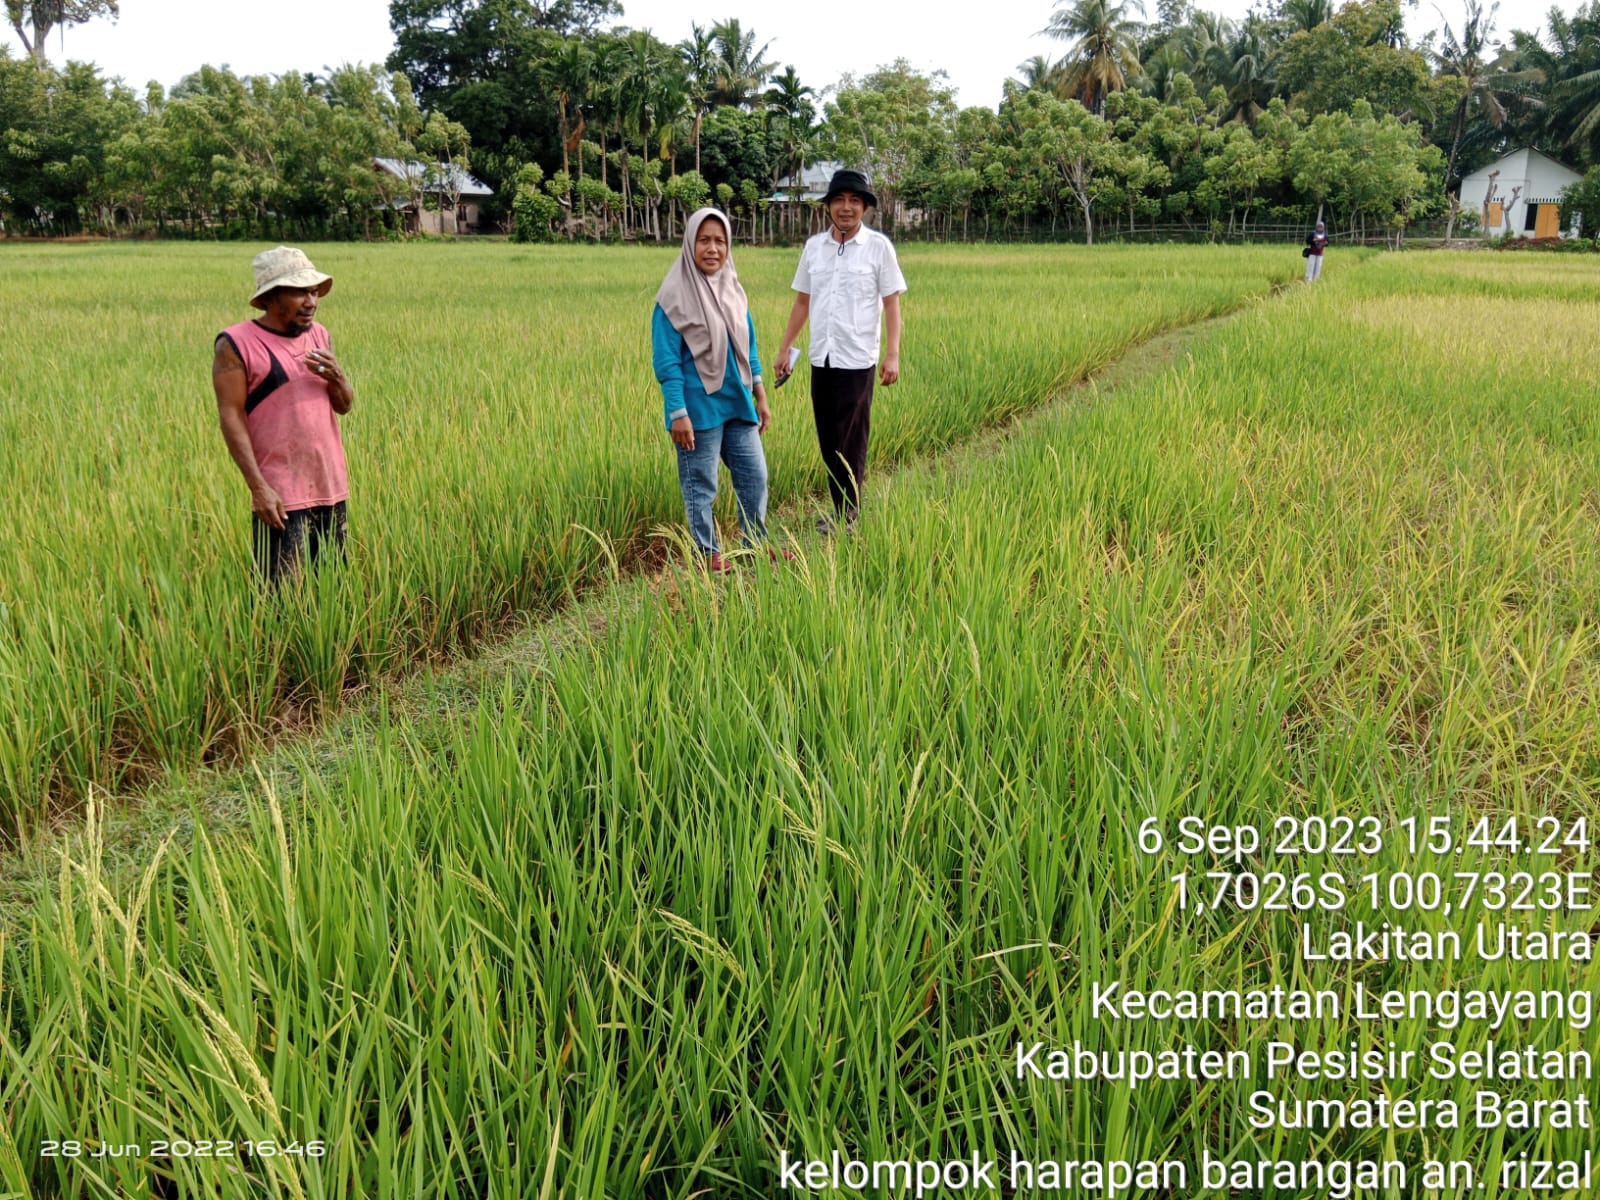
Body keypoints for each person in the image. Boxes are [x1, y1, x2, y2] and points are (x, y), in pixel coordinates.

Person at [773, 168, 906, 534]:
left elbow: (892, 305)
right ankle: (841, 510)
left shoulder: (878, 247)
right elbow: (803, 301)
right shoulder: (815, 247)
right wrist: (785, 348)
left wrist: (892, 355)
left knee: (852, 439)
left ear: (864, 207)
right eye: (839, 200)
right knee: (829, 439)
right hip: (822, 357)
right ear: (828, 206)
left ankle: (850, 516)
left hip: (858, 357)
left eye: (854, 201)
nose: (846, 208)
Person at [212, 246, 354, 585]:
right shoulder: (236, 343)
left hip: (330, 485)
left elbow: (344, 405)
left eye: (314, 291)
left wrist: (338, 377)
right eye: (299, 291)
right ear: (271, 297)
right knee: (281, 598)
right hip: (280, 496)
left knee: (331, 590)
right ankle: (277, 643)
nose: (311, 301)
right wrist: (258, 488)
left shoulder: (320, 335)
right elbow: (230, 416)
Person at [652, 207, 775, 573]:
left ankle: (755, 545)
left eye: (720, 240)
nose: (712, 248)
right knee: (700, 485)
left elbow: (748, 345)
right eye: (704, 240)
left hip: (737, 402)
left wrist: (760, 390)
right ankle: (707, 554)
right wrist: (677, 412)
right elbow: (667, 362)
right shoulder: (671, 297)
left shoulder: (733, 287)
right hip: (697, 408)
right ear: (690, 243)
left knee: (755, 476)